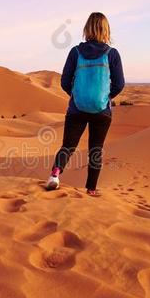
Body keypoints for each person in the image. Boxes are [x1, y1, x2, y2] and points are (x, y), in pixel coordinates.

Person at [46, 12, 125, 196]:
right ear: (106, 30)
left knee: (68, 146)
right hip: (102, 111)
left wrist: (75, 95)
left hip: (77, 109)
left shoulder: (75, 52)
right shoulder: (112, 54)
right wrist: (106, 97)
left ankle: (55, 174)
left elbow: (65, 80)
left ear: (87, 29)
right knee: (95, 149)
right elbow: (119, 84)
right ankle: (90, 189)